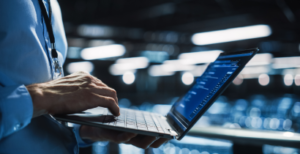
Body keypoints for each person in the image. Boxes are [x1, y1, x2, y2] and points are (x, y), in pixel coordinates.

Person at [0, 0, 167, 153]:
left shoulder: (52, 5)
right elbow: (45, 98)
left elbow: (41, 118)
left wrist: (88, 130)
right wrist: (41, 95)